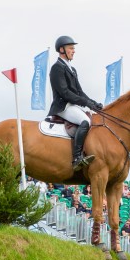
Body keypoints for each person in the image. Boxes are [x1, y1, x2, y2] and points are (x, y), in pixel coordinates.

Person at [47, 35, 102, 171]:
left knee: (92, 117)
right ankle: (77, 158)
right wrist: (85, 102)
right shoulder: (56, 68)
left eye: (73, 48)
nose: (73, 51)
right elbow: (65, 93)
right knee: (85, 121)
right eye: (71, 48)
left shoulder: (72, 69)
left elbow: (79, 92)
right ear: (61, 50)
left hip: (72, 105)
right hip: (62, 106)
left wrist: (93, 103)